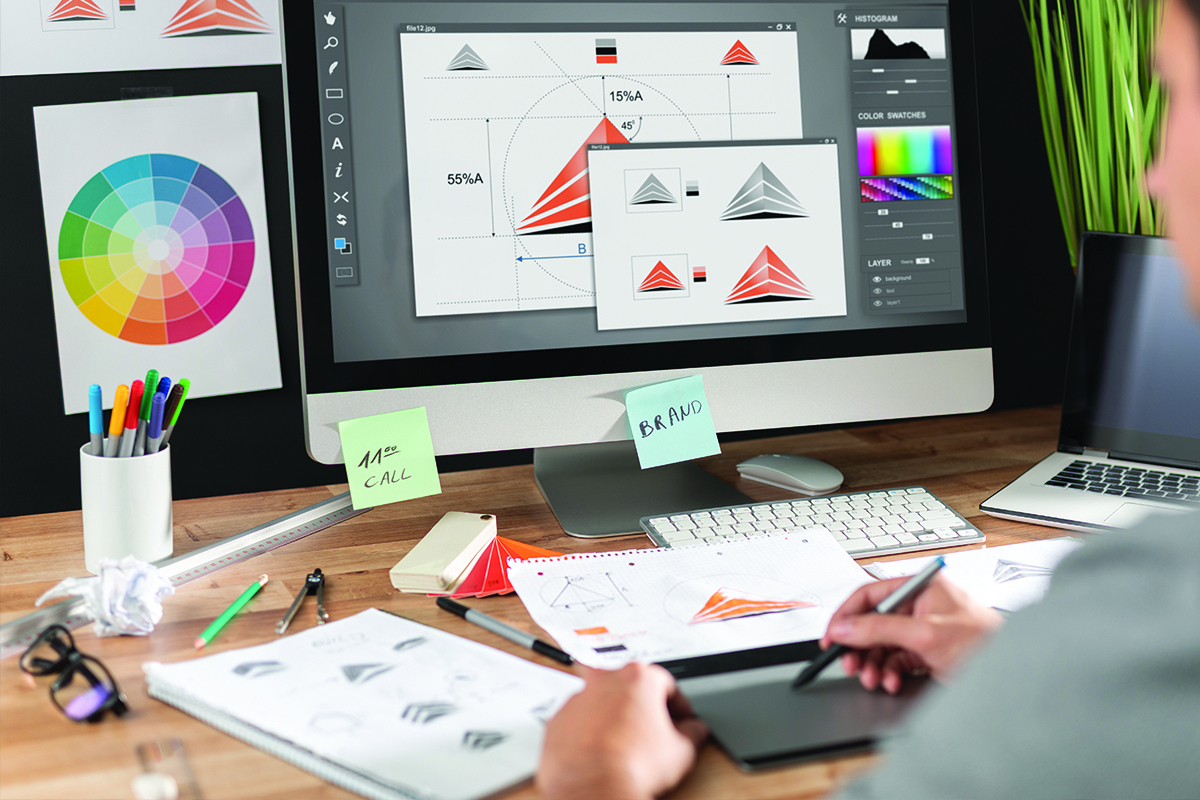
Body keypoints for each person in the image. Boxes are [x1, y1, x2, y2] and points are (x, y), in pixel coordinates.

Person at [535, 0, 1200, 796]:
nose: (1151, 174)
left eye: (1176, 98)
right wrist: (1025, 666)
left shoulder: (1161, 604)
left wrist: (590, 772)